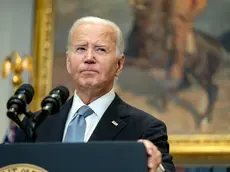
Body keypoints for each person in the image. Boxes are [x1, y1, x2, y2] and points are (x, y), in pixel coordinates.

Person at [15, 16, 175, 172]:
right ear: (68, 62)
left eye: (101, 49)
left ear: (119, 65)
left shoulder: (145, 128)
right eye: (81, 49)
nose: (89, 58)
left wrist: (155, 167)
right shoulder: (35, 125)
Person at [166, 0, 207, 85]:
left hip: (183, 22)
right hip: (169, 21)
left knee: (179, 42)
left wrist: (188, 15)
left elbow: (200, 5)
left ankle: (178, 71)